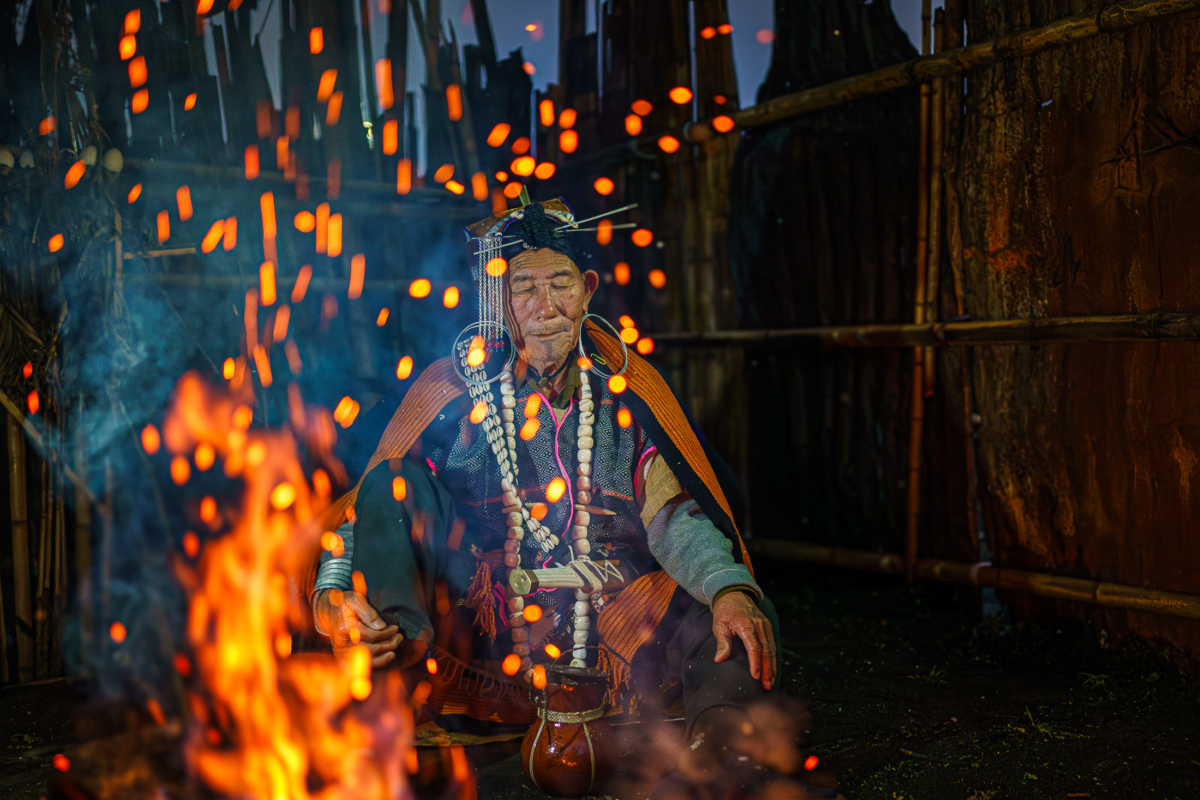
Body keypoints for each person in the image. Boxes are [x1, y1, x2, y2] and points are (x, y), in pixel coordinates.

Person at [305, 201, 839, 799]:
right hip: (488, 632)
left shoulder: (625, 391)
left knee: (735, 609)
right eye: (523, 288)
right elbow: (376, 502)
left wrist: (727, 589)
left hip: (610, 633)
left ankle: (718, 755)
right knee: (394, 482)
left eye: (560, 284)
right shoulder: (458, 392)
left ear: (586, 292)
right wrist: (334, 589)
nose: (545, 307)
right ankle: (388, 705)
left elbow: (673, 518)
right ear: (501, 302)